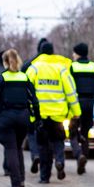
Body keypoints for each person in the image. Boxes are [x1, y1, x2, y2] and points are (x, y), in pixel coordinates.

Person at [0, 49, 40, 187]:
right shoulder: (24, 78)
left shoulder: (2, 79)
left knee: (11, 149)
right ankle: (21, 181)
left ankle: (15, 184)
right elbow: (35, 100)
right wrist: (37, 119)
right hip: (23, 118)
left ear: (5, 62)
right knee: (18, 147)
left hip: (6, 118)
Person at [26, 47, 80, 183]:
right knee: (58, 141)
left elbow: (26, 89)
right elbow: (71, 93)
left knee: (43, 146)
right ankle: (60, 162)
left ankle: (45, 177)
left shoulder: (34, 68)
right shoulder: (61, 69)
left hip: (41, 116)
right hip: (58, 115)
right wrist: (76, 112)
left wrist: (29, 111)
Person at [68, 42, 94, 175]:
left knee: (72, 132)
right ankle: (84, 159)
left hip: (76, 104)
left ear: (77, 53)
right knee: (85, 133)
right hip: (90, 104)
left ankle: (78, 155)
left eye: (74, 52)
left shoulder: (72, 66)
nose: (72, 55)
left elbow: (68, 85)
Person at [22, 38, 53, 174]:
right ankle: (49, 162)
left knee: (31, 133)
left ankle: (35, 155)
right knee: (49, 137)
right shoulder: (56, 65)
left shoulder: (29, 64)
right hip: (52, 108)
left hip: (30, 106)